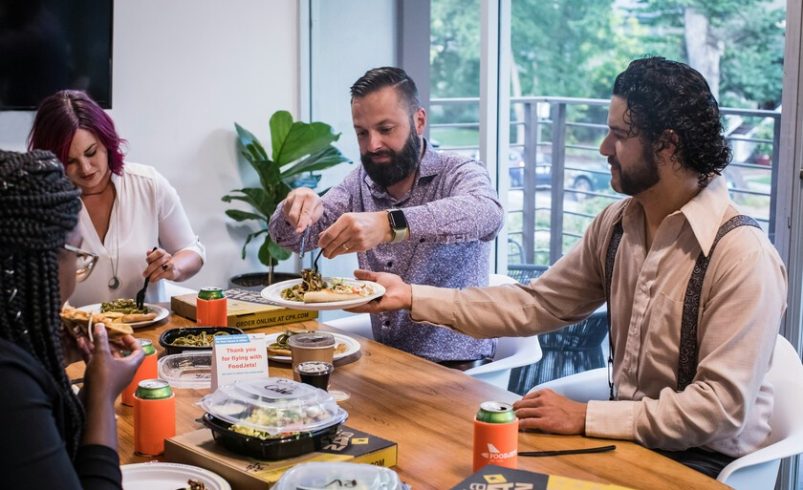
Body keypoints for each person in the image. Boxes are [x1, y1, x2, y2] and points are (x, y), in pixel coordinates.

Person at [352, 57, 787, 477]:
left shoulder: (741, 256)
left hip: (705, 466)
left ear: (667, 145)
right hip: (629, 445)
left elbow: (718, 410)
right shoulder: (616, 225)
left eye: (619, 135)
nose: (604, 149)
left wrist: (586, 416)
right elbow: (535, 305)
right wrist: (410, 296)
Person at [269, 67, 504, 367]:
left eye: (386, 129)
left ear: (419, 121)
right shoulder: (360, 182)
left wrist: (389, 224)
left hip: (458, 367)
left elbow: (488, 213)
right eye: (362, 133)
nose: (373, 145)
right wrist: (293, 208)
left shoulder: (457, 172)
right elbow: (291, 238)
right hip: (387, 359)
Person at [0, 149, 144, 488]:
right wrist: (100, 397)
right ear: (43, 263)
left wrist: (49, 371)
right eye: (77, 255)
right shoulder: (9, 386)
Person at [27, 90, 205, 306]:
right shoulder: (42, 202)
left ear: (107, 142)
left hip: (147, 323)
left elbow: (191, 251)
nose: (85, 168)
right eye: (70, 161)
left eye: (91, 152)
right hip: (74, 326)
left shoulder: (147, 184)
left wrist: (173, 267)